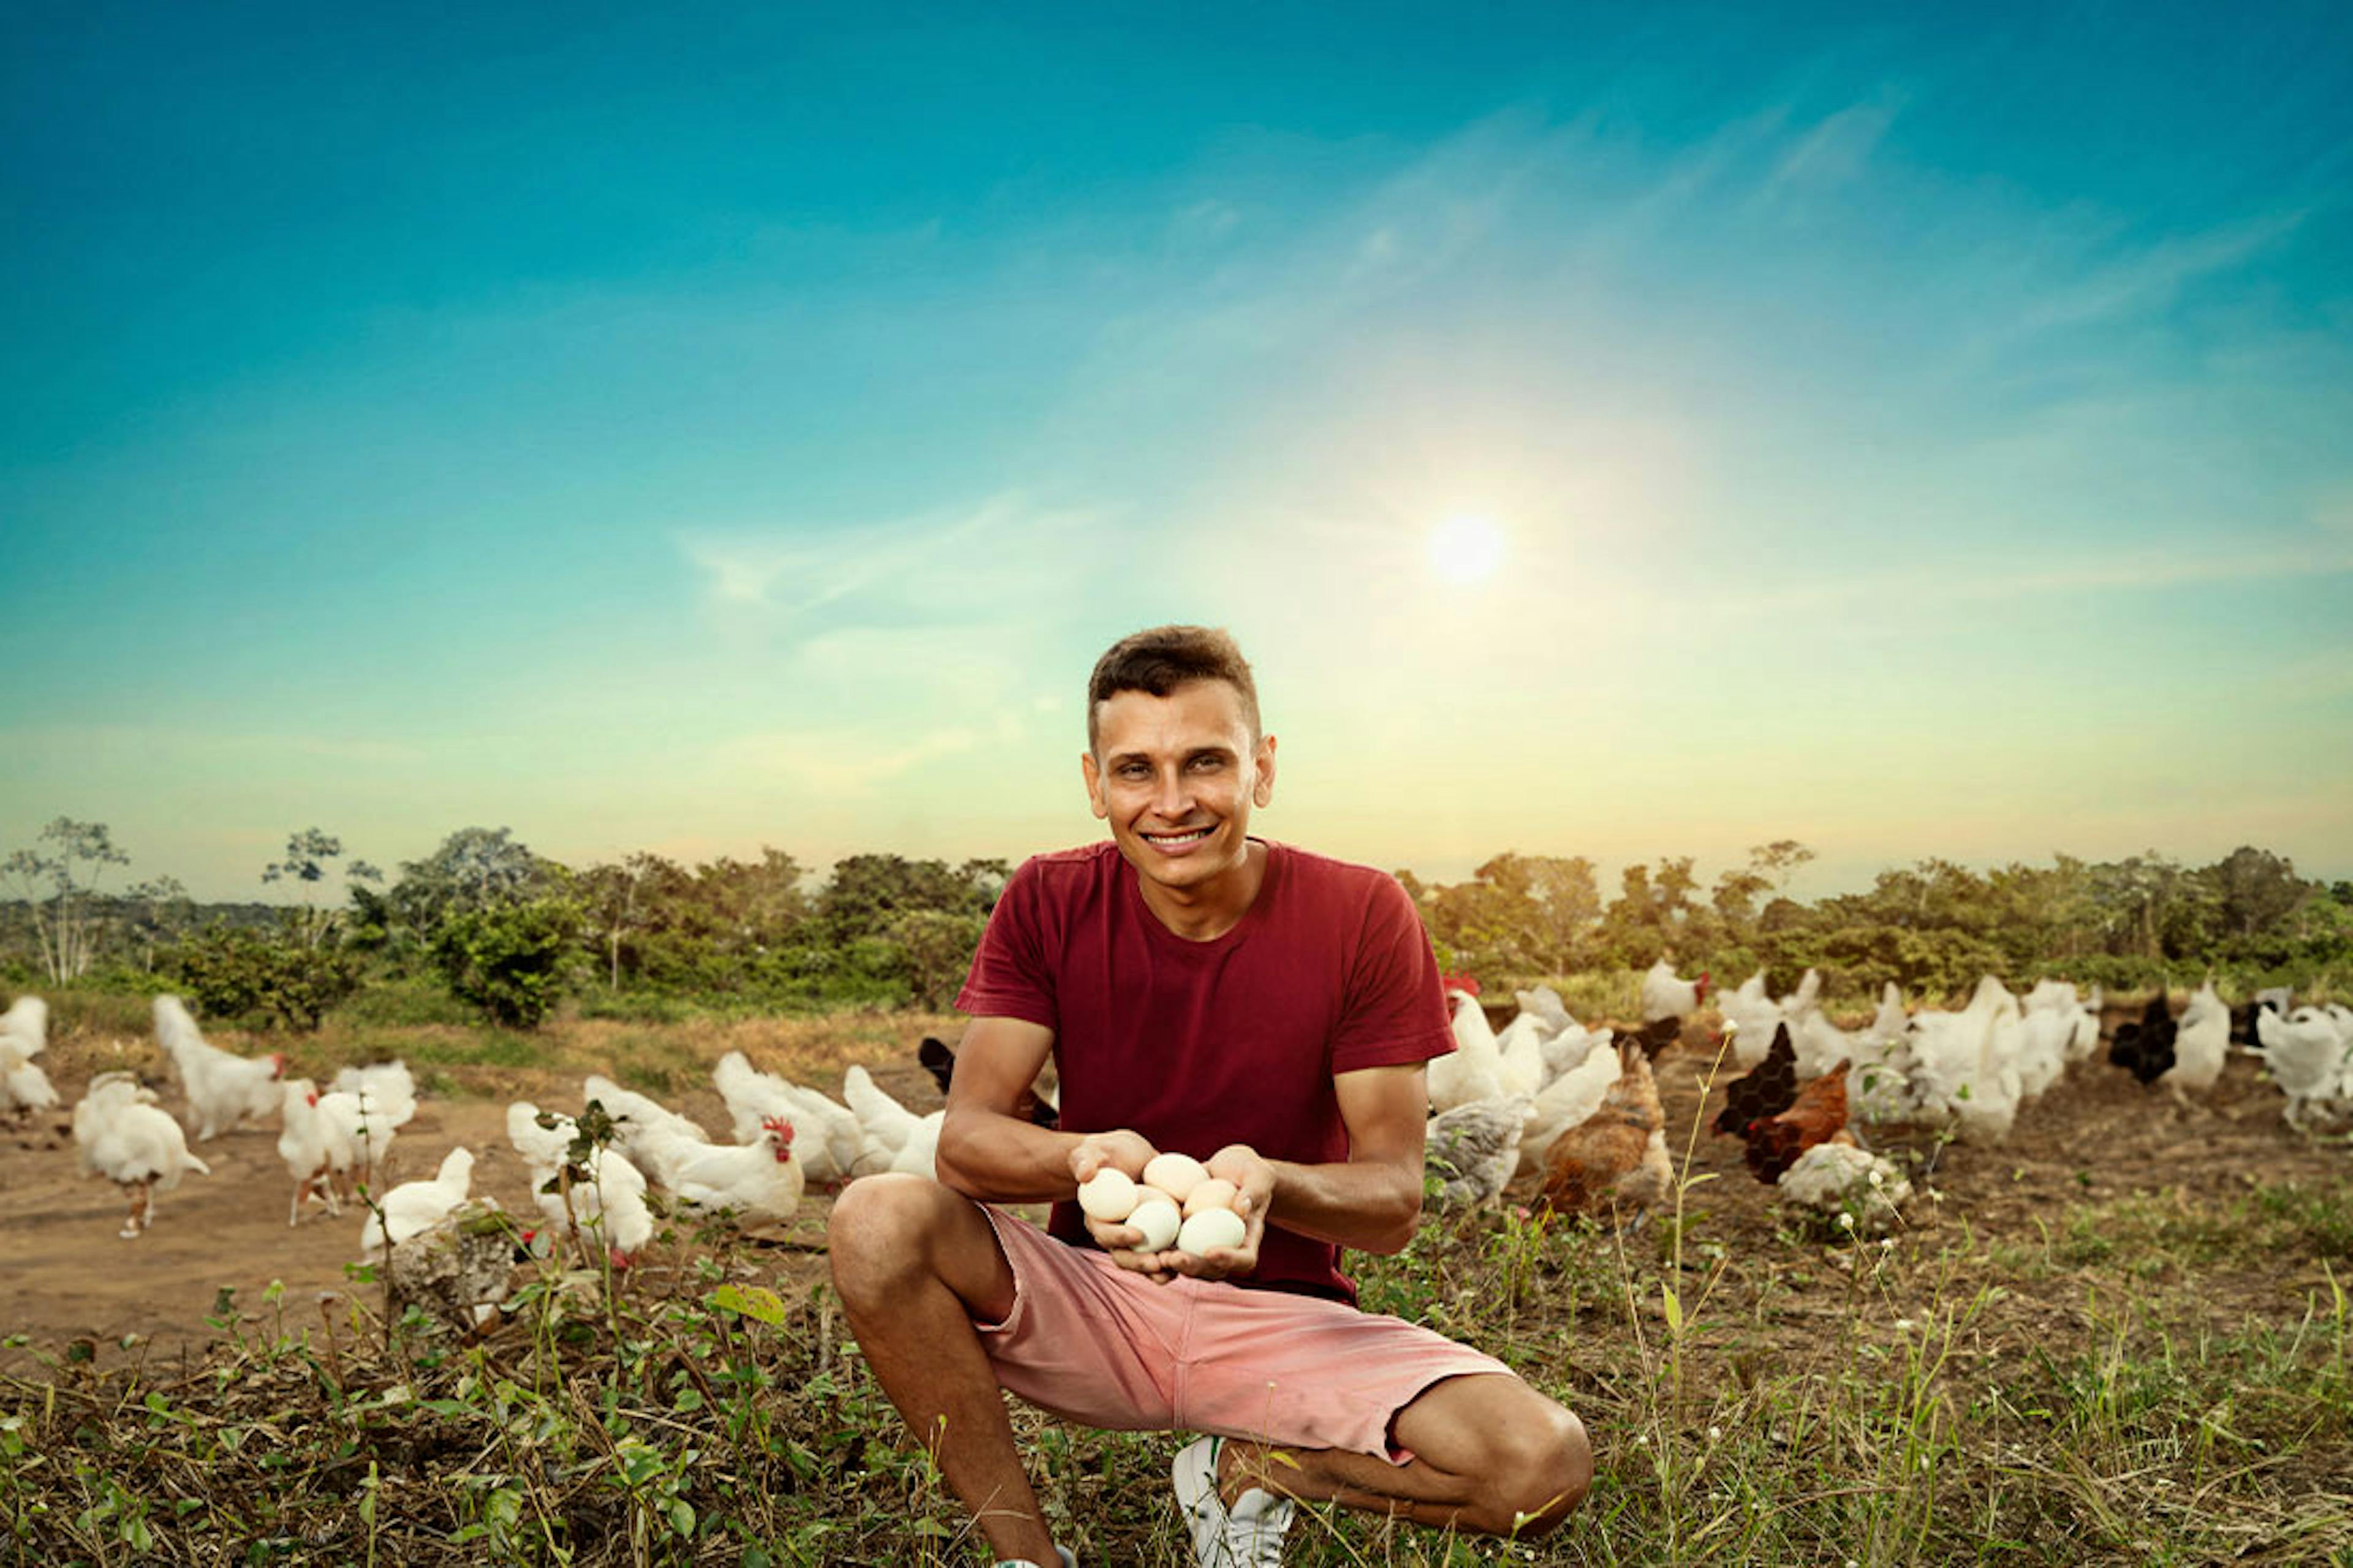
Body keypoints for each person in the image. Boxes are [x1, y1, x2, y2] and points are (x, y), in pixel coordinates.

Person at [828, 625, 1590, 1567]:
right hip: (1099, 1302)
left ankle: (1259, 1470)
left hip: (1284, 1321)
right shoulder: (1049, 897)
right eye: (1137, 770)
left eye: (1207, 763)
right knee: (875, 1216)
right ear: (1094, 782)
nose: (1173, 803)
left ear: (1262, 770)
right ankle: (1029, 1560)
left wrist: (1270, 1181)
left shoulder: (1361, 914)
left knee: (1540, 1466)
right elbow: (967, 1143)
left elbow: (1392, 1202)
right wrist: (1081, 1155)